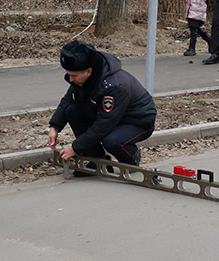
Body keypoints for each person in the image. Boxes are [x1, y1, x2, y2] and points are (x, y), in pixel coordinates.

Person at [48, 41, 157, 169]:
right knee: (72, 111)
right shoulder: (82, 78)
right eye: (68, 74)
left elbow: (104, 125)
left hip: (137, 120)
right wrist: (54, 126)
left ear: (88, 71)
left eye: (73, 75)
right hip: (108, 115)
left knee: (111, 141)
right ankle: (97, 160)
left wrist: (75, 148)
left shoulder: (115, 85)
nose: (70, 79)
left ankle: (131, 158)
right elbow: (68, 99)